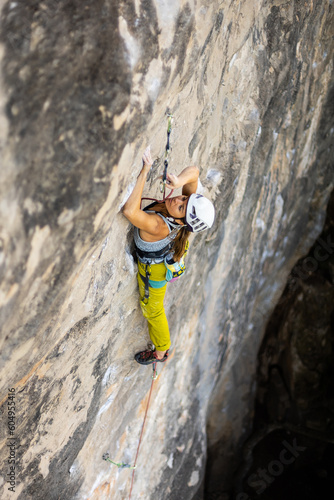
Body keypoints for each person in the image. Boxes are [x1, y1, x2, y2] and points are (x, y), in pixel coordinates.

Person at [123, 147, 215, 365]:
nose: (177, 200)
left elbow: (130, 211)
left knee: (152, 310)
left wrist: (145, 171)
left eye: (181, 206)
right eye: (183, 198)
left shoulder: (159, 226)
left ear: (184, 222)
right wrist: (178, 181)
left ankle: (162, 351)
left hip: (155, 271)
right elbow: (194, 172)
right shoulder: (187, 214)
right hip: (168, 252)